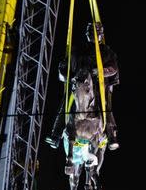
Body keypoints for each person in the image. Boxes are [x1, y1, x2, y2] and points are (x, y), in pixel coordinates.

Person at [45, 22, 120, 151]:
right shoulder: (77, 50)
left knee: (105, 106)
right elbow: (65, 69)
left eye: (95, 34)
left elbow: (113, 69)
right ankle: (56, 134)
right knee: (66, 104)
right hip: (78, 82)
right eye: (90, 33)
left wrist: (100, 71)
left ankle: (111, 135)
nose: (92, 36)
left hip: (98, 85)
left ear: (101, 36)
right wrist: (64, 70)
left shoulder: (106, 51)